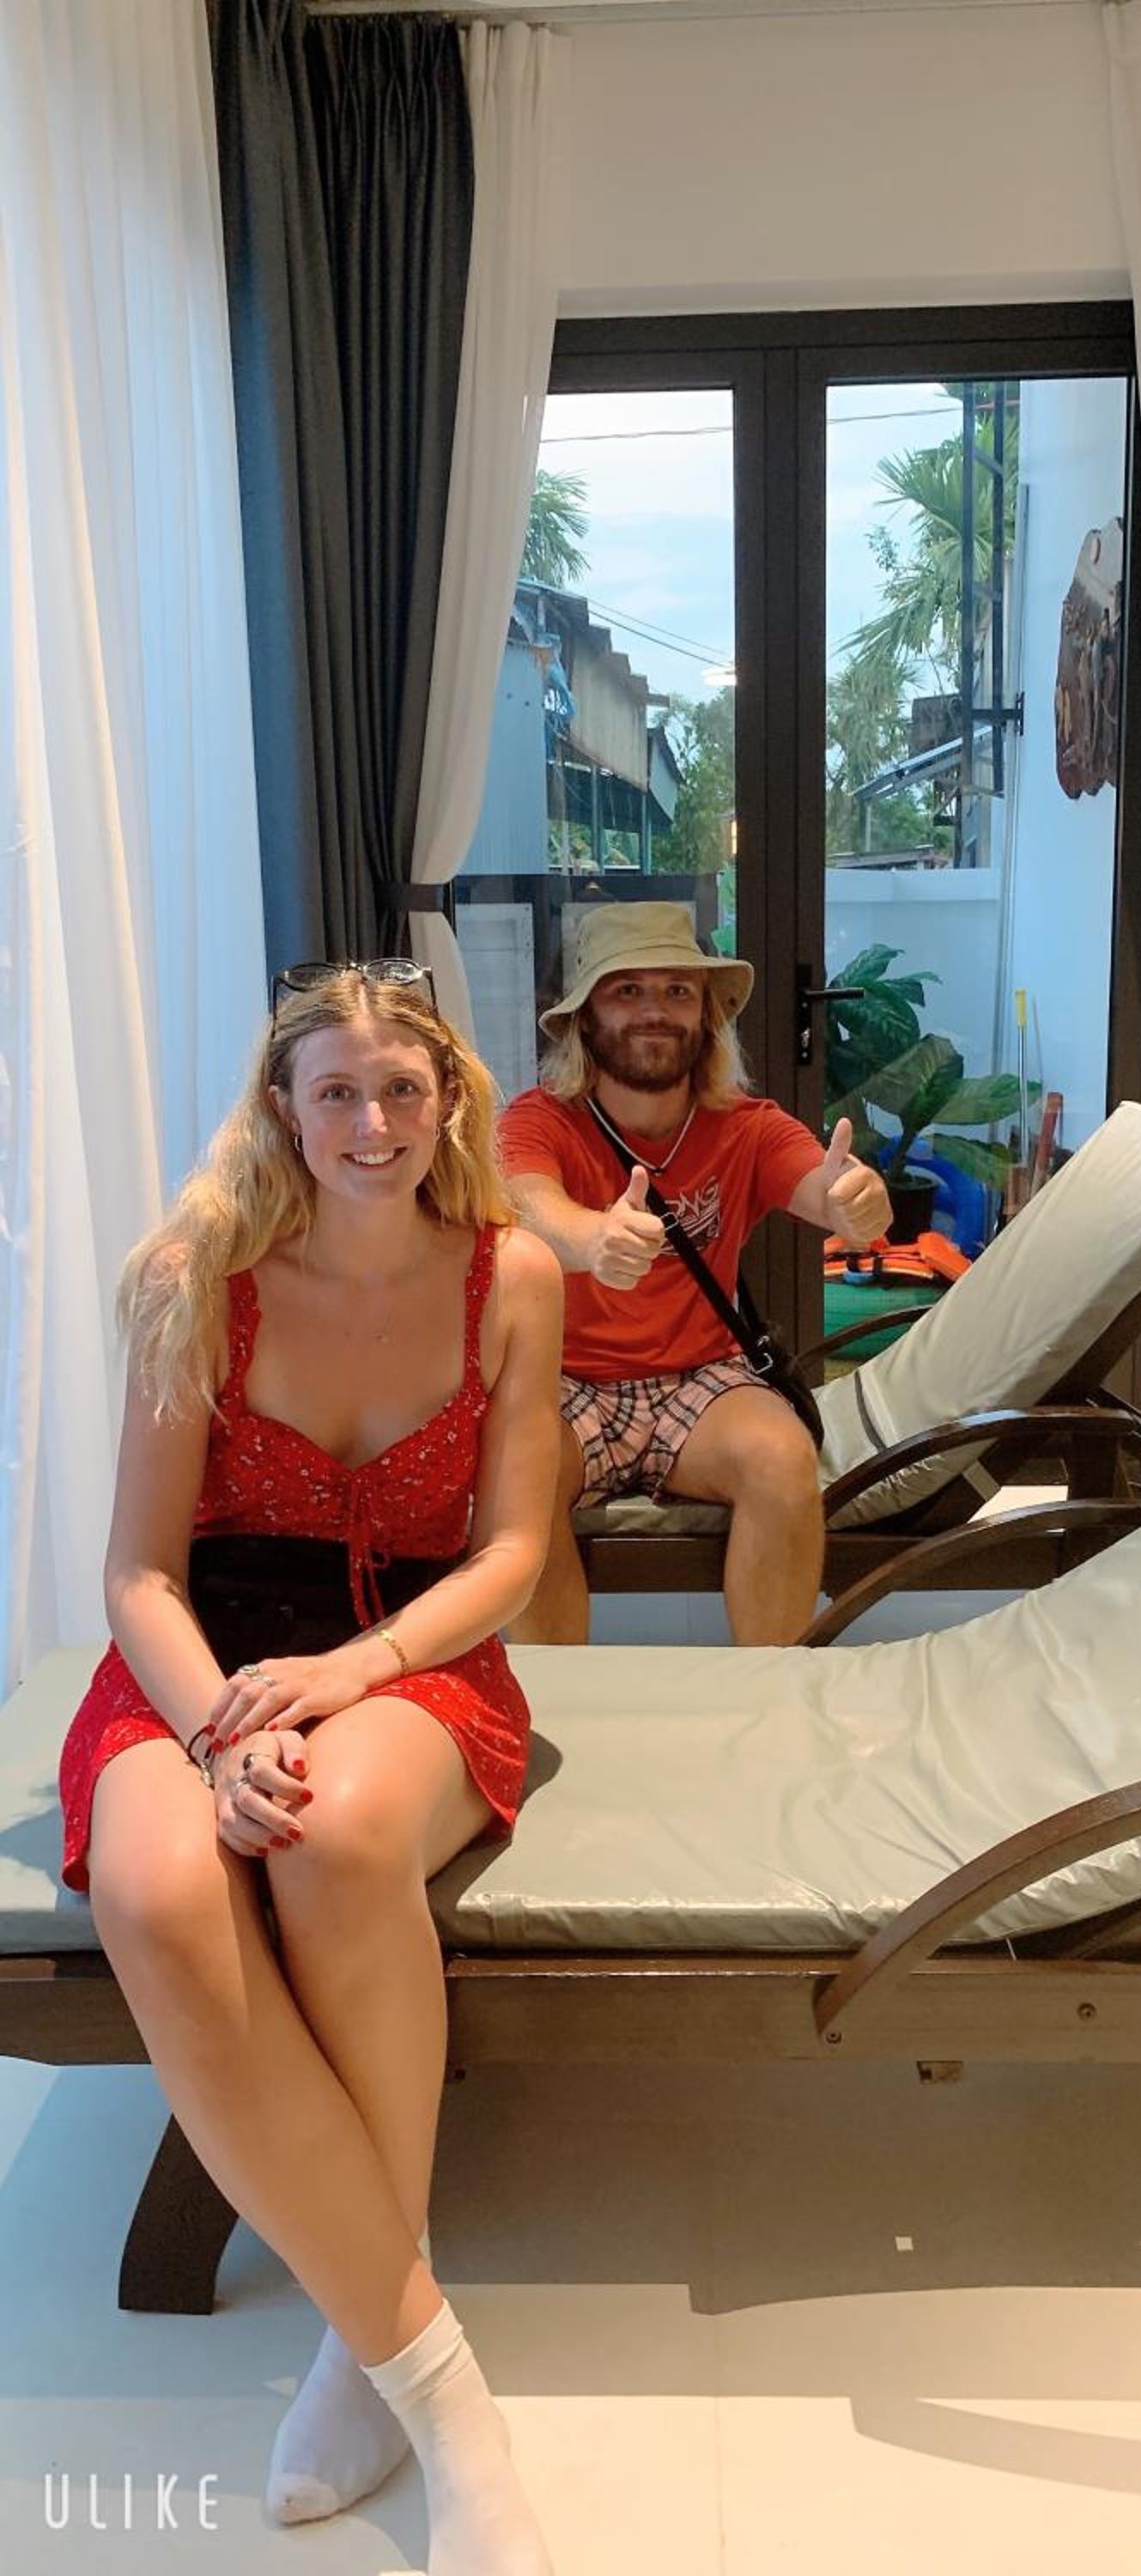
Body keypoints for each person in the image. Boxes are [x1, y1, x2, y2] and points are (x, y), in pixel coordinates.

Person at [56, 961, 562, 2575]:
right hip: (200, 1659)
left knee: (334, 1840)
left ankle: (374, 2353)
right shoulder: (194, 1274)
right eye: (336, 1090)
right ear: (281, 1107)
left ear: (449, 1100)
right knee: (157, 1888)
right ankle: (432, 2367)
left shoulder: (512, 1275)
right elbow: (137, 1572)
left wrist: (350, 1677)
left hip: (405, 1652)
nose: (372, 1122)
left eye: (402, 1089)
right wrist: (222, 1727)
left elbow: (513, 1552)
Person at [498, 902, 891, 1647]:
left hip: (702, 1378)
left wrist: (852, 1199)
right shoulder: (539, 1119)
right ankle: (556, 1701)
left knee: (782, 1458)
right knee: (516, 1476)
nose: (655, 1010)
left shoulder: (748, 1124)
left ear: (706, 1018)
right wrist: (593, 1238)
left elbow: (820, 1183)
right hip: (566, 1380)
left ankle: (772, 1691)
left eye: (677, 991)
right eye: (627, 990)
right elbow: (527, 1204)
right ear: (583, 1019)